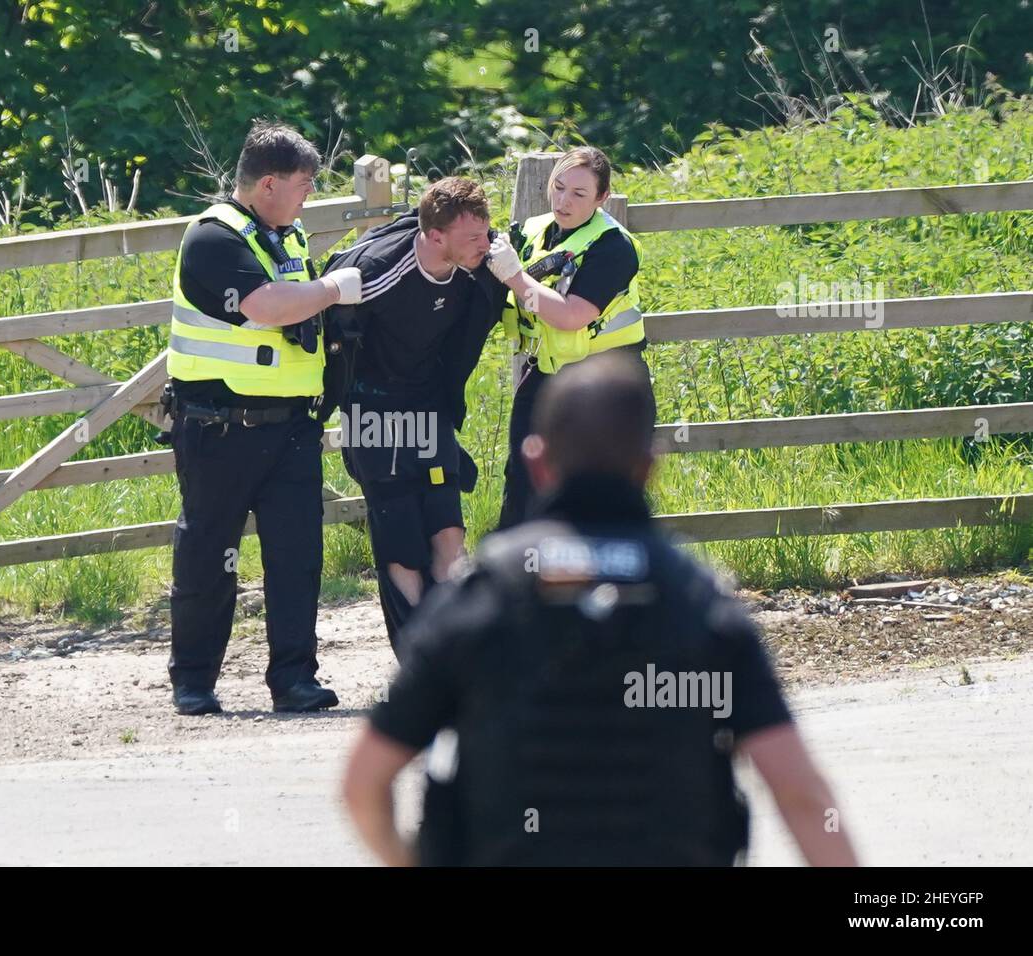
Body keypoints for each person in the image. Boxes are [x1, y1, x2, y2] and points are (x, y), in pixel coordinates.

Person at [342, 351, 858, 866]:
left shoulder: (480, 597)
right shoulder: (698, 601)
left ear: (536, 462)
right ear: (649, 466)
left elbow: (364, 783)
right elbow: (801, 795)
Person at [164, 119, 363, 716]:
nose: (309, 196)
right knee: (208, 556)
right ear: (268, 183)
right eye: (304, 184)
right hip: (219, 427)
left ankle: (294, 679)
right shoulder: (213, 238)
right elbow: (268, 306)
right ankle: (194, 682)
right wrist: (333, 289)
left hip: (292, 430)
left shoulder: (287, 236)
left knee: (296, 558)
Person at [320, 178, 503, 653]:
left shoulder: (480, 264)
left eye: (486, 233)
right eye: (474, 238)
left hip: (428, 403)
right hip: (372, 407)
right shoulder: (376, 272)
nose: (486, 245)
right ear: (435, 236)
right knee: (401, 542)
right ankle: (418, 658)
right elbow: (326, 338)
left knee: (448, 529)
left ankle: (457, 651)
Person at [485, 145, 652, 529]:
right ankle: (519, 580)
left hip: (606, 383)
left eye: (578, 194)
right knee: (524, 482)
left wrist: (514, 275)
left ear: (602, 197)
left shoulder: (613, 247)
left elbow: (572, 315)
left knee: (606, 488)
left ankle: (610, 583)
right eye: (558, 188)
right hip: (545, 375)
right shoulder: (532, 231)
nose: (564, 201)